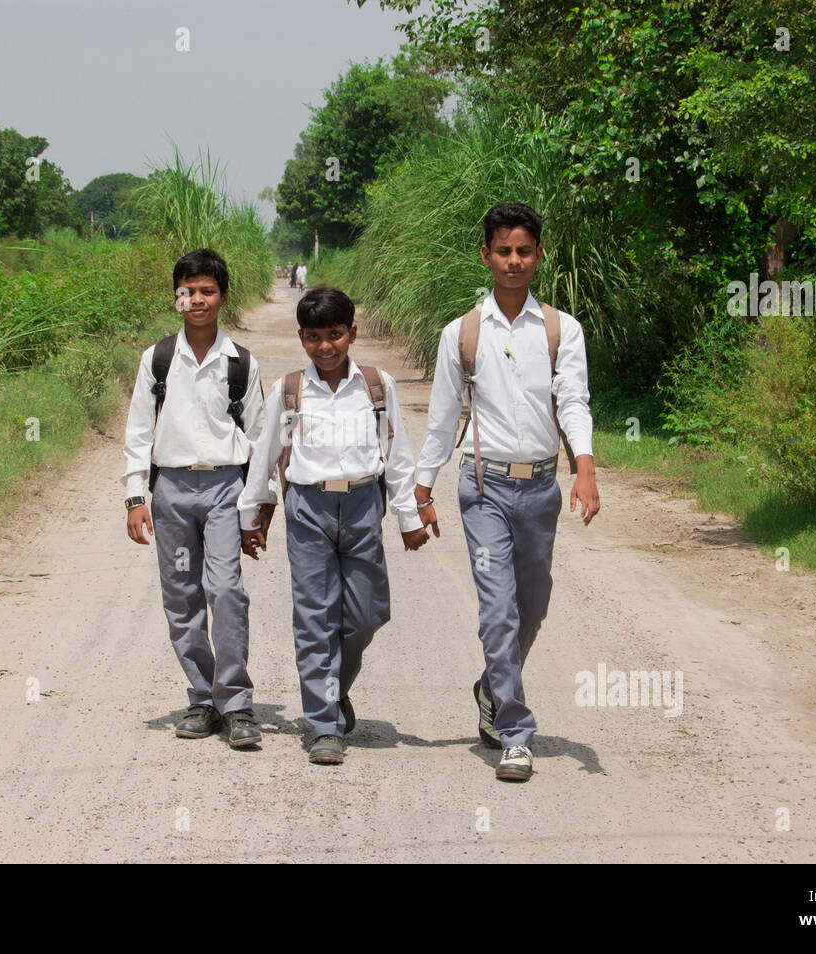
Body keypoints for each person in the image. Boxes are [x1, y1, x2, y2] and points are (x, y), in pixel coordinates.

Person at [413, 203, 601, 782]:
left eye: (524, 251)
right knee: (498, 610)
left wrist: (585, 469)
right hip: (483, 487)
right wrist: (422, 487)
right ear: (486, 256)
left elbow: (573, 400)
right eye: (503, 251)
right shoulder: (463, 333)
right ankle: (516, 732)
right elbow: (445, 418)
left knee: (533, 605)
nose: (513, 261)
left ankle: (493, 684)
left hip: (541, 489)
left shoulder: (561, 329)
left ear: (538, 255)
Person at [238, 286, 429, 765]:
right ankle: (323, 723)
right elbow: (264, 456)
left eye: (335, 335)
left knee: (367, 614)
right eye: (313, 337)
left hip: (364, 505)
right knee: (314, 616)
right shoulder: (289, 391)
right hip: (308, 507)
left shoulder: (376, 386)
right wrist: (252, 514)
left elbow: (398, 454)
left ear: (352, 333)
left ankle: (334, 685)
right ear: (302, 338)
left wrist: (409, 515)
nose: (326, 347)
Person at [122, 248, 272, 749]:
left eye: (208, 290)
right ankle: (202, 697)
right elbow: (139, 430)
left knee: (226, 589)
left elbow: (260, 438)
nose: (198, 299)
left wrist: (258, 508)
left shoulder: (241, 364)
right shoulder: (158, 359)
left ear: (224, 297)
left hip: (226, 489)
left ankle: (236, 702)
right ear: (176, 297)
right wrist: (134, 496)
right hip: (171, 492)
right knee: (182, 597)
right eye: (188, 290)